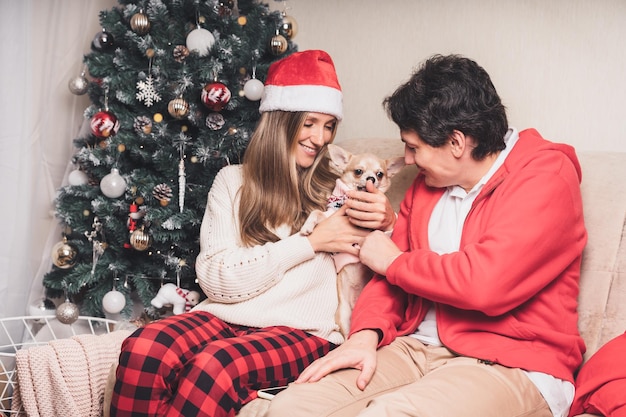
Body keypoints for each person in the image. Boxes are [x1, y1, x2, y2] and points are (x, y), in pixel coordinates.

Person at [266, 54, 588, 417]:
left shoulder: (545, 176)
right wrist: (365, 335)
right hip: (414, 348)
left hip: (510, 362)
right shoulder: (429, 185)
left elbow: (484, 283)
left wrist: (394, 262)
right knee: (290, 407)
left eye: (414, 147)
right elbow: (388, 284)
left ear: (456, 142)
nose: (408, 158)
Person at [109, 50, 397, 417]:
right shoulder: (233, 181)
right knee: (144, 348)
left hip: (305, 330)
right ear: (281, 121)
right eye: (309, 123)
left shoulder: (340, 189)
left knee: (214, 367)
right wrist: (310, 244)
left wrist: (388, 220)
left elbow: (393, 254)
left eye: (329, 126)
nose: (320, 138)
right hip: (225, 314)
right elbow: (215, 277)